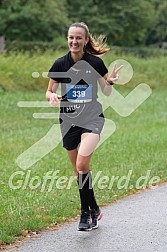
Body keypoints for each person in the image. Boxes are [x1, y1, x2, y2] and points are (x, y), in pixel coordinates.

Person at [46, 22, 123, 231]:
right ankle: (95, 208)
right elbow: (48, 90)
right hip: (69, 121)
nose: (74, 41)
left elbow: (106, 92)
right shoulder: (60, 64)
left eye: (79, 37)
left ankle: (85, 214)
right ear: (67, 39)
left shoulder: (95, 63)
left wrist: (112, 82)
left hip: (92, 119)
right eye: (71, 37)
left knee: (81, 165)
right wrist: (52, 95)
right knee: (79, 171)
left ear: (86, 40)